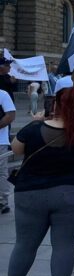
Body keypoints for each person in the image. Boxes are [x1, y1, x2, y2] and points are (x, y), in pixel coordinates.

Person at [2, 86, 74, 276]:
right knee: (64, 244)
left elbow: (16, 150)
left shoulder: (33, 130)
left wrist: (37, 121)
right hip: (72, 192)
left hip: (30, 194)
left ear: (54, 105)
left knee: (24, 244)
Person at [0, 86, 15, 214]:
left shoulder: (2, 94)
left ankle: (2, 201)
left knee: (1, 172)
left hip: (0, 142)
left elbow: (10, 115)